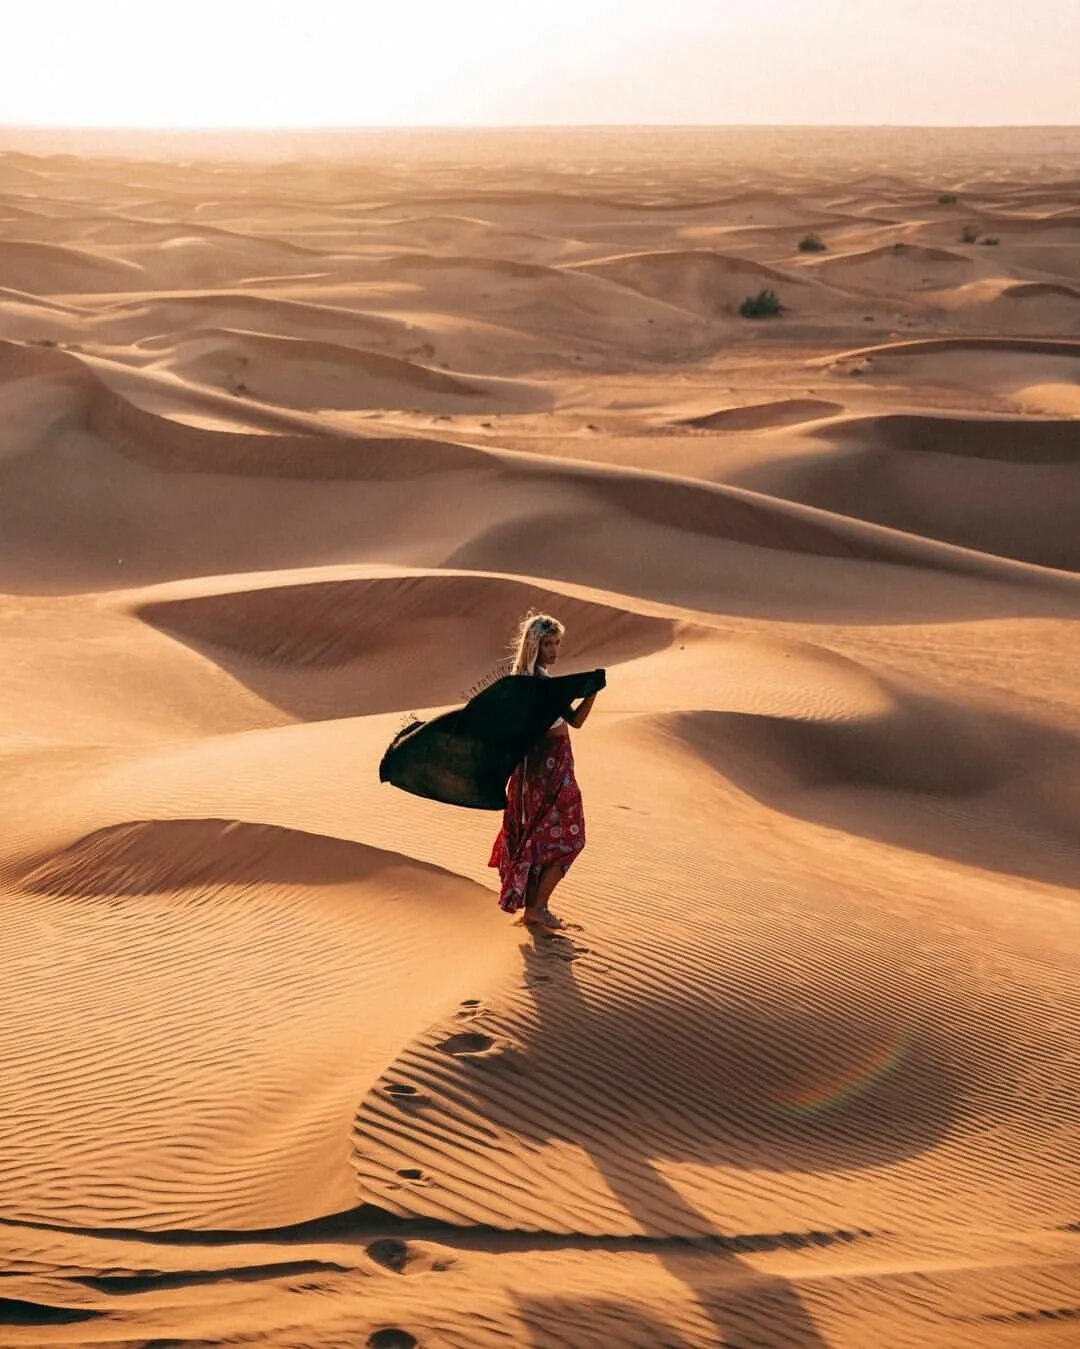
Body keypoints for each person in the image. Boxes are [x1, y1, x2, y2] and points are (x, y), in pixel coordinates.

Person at [487, 611, 599, 934]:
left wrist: (592, 691)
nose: (554, 650)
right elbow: (533, 730)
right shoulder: (532, 686)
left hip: (557, 767)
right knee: (571, 838)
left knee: (547, 838)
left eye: (557, 643)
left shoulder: (545, 685)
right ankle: (536, 908)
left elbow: (574, 722)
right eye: (548, 644)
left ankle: (538, 907)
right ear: (534, 646)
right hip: (549, 773)